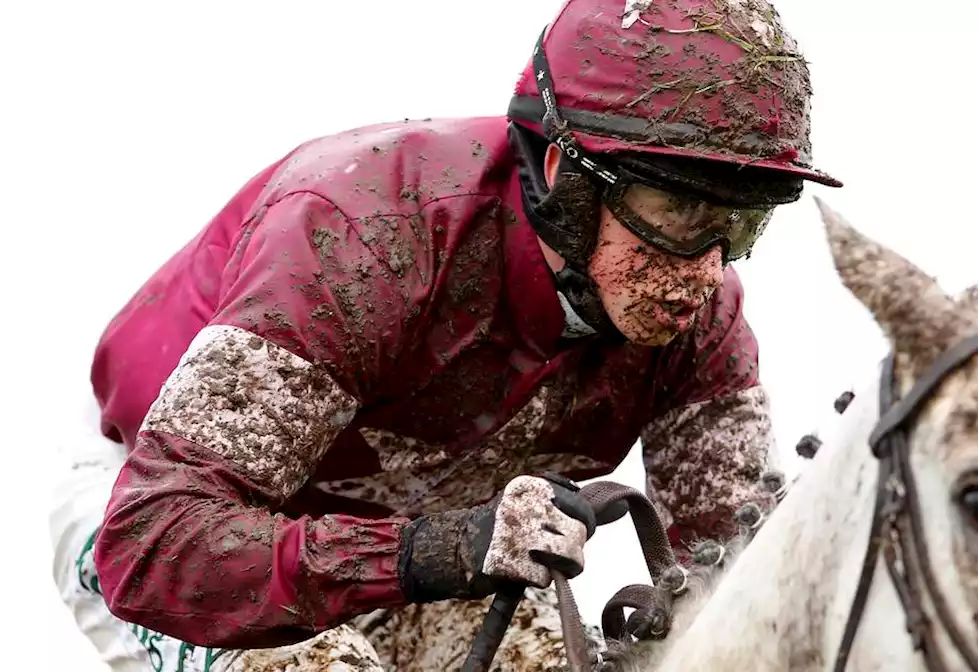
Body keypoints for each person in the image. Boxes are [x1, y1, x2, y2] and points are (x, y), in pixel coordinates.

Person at [47, 0, 842, 668]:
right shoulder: (365, 237)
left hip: (420, 556)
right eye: (676, 215)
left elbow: (738, 585)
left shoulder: (700, 322)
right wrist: (440, 549)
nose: (705, 274)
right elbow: (154, 548)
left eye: (740, 226)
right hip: (155, 507)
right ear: (564, 176)